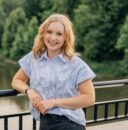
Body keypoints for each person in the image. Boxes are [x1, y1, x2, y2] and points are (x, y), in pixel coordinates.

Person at [12, 13, 96, 130]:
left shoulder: (76, 64)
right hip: (44, 121)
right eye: (49, 32)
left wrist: (54, 102)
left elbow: (89, 98)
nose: (53, 38)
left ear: (66, 37)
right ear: (43, 33)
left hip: (69, 123)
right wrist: (29, 91)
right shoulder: (34, 57)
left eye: (59, 34)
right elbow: (17, 80)